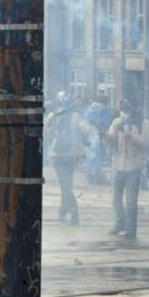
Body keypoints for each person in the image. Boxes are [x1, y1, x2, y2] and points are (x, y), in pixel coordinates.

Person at [46, 93, 93, 225]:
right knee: (66, 184)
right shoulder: (76, 115)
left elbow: (46, 133)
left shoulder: (52, 116)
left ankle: (71, 211)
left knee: (64, 185)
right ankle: (66, 210)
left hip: (56, 154)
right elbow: (87, 130)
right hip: (71, 154)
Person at [106, 99, 149, 239]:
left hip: (134, 166)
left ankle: (131, 228)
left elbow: (147, 143)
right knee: (116, 199)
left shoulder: (143, 123)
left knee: (131, 200)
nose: (124, 113)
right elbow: (111, 141)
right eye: (122, 110)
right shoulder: (116, 122)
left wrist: (131, 136)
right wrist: (105, 136)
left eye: (126, 110)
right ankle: (120, 222)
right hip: (118, 165)